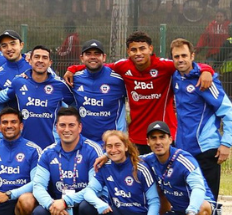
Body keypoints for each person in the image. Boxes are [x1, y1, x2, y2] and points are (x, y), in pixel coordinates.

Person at [66, 31, 215, 153]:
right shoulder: (123, 67)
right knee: (140, 180)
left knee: (165, 181)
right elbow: (98, 66)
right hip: (136, 136)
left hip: (164, 134)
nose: (138, 53)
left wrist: (206, 70)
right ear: (128, 52)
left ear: (150, 49)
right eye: (134, 50)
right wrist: (73, 69)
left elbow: (187, 64)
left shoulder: (165, 67)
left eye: (142, 48)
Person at [70, 130, 159, 215]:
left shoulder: (140, 168)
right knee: (91, 209)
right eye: (109, 146)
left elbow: (154, 201)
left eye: (117, 145)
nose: (113, 150)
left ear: (126, 146)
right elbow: (89, 192)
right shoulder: (104, 167)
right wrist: (100, 204)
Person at [169, 38, 232, 204]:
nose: (180, 60)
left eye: (184, 55)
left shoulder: (206, 81)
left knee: (207, 203)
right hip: (183, 151)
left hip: (206, 150)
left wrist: (227, 143)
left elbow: (228, 112)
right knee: (185, 201)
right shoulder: (175, 77)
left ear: (192, 56)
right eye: (176, 56)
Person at [29, 108, 106, 215]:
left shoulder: (92, 150)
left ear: (80, 127)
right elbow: (38, 186)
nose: (66, 130)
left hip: (82, 207)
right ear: (56, 127)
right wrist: (51, 205)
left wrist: (65, 201)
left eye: (71, 125)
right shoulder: (48, 153)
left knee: (88, 207)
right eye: (62, 125)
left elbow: (94, 188)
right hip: (59, 210)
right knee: (38, 213)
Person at [143, 122, 220, 215]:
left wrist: (191, 213)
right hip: (179, 211)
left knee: (202, 206)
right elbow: (130, 159)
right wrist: (107, 157)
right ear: (148, 142)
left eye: (162, 137)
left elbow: (198, 188)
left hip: (203, 210)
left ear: (170, 139)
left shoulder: (184, 159)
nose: (158, 142)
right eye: (153, 138)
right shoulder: (149, 159)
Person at [0, 45, 73, 149]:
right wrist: (0, 126)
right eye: (37, 57)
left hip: (51, 148)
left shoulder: (60, 86)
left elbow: (75, 105)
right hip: (23, 148)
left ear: (50, 63)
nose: (40, 60)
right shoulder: (19, 82)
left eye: (44, 58)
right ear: (29, 60)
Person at [67, 40, 127, 142]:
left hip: (110, 145)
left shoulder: (118, 80)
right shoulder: (74, 79)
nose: (93, 57)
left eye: (97, 53)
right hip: (83, 144)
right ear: (82, 58)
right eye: (88, 54)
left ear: (104, 57)